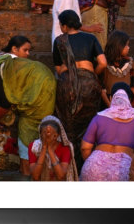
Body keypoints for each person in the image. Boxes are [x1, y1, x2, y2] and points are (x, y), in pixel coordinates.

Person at [53, 10, 107, 172]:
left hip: (67, 85)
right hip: (88, 85)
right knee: (88, 125)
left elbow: (58, 69)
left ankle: (69, 167)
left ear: (64, 26)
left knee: (68, 126)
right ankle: (87, 167)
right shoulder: (90, 38)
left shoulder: (59, 41)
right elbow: (103, 63)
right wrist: (90, 76)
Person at [0, 46, 56, 176]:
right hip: (46, 86)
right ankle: (29, 171)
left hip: (39, 94)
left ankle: (26, 172)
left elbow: (4, 104)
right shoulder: (3, 63)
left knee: (26, 132)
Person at [79, 89, 134, 181]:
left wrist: (90, 162)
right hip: (123, 169)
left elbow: (85, 148)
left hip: (95, 167)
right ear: (128, 100)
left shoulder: (99, 117)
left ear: (111, 99)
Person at [28, 115, 78, 181]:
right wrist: (44, 147)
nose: (47, 136)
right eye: (44, 133)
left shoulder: (65, 148)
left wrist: (50, 150)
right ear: (41, 134)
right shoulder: (34, 147)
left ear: (57, 136)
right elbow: (35, 176)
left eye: (51, 134)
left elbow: (61, 176)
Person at [102, 30, 134, 106]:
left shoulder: (129, 63)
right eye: (126, 45)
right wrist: (110, 107)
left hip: (126, 104)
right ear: (118, 45)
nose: (128, 48)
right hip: (107, 104)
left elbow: (133, 85)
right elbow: (102, 89)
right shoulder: (104, 63)